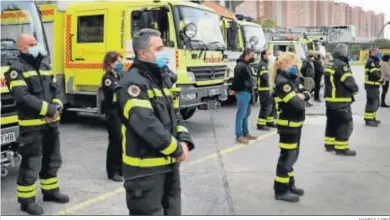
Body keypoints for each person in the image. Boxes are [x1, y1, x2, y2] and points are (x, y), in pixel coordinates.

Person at [114, 28, 195, 215]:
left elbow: (175, 115)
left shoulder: (159, 79)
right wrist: (176, 149)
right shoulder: (132, 83)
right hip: (145, 171)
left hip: (169, 165)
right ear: (143, 53)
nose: (163, 52)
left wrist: (183, 141)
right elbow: (146, 124)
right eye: (158, 48)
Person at [4, 34, 69, 215]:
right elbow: (22, 97)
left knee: (52, 159)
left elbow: (56, 89)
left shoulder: (45, 65)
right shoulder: (15, 70)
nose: (36, 46)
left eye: (36, 43)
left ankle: (50, 192)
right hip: (32, 126)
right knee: (32, 163)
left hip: (51, 124)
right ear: (22, 48)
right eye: (31, 44)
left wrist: (57, 106)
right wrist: (48, 109)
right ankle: (26, 201)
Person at [270, 52, 311, 203]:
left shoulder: (291, 79)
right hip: (288, 125)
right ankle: (280, 190)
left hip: (295, 124)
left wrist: (303, 95)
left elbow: (306, 92)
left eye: (296, 63)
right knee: (287, 157)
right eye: (292, 64)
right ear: (282, 65)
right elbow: (296, 105)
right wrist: (301, 97)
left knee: (292, 156)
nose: (295, 66)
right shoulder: (283, 82)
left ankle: (289, 184)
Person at [323, 43, 358, 156]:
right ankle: (341, 148)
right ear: (344, 52)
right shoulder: (342, 65)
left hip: (330, 101)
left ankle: (329, 144)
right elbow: (349, 82)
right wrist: (355, 90)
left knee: (332, 123)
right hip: (341, 100)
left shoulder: (330, 64)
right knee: (345, 124)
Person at [101, 51, 124, 182]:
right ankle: (112, 171)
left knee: (122, 141)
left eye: (121, 61)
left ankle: (121, 169)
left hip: (119, 112)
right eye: (118, 62)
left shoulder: (119, 75)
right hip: (112, 113)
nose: (120, 64)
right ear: (110, 63)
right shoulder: (108, 78)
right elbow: (118, 90)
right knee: (116, 141)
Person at [231, 48, 258, 144]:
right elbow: (236, 80)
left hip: (248, 92)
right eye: (252, 55)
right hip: (243, 92)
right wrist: (234, 90)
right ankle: (239, 135)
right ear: (246, 55)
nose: (253, 57)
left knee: (246, 114)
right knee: (241, 114)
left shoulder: (246, 65)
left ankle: (245, 133)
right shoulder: (240, 66)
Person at [256, 49, 276, 131]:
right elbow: (265, 77)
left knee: (272, 106)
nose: (270, 55)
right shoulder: (262, 65)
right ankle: (260, 124)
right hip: (264, 89)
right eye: (268, 54)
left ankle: (269, 122)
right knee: (266, 107)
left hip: (270, 89)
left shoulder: (268, 64)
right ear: (263, 55)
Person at [364, 47, 383, 127]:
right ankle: (368, 120)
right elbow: (374, 73)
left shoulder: (375, 60)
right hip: (371, 85)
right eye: (377, 51)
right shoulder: (371, 61)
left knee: (375, 102)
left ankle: (372, 118)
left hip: (374, 85)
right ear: (373, 51)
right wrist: (381, 79)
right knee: (372, 102)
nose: (379, 53)